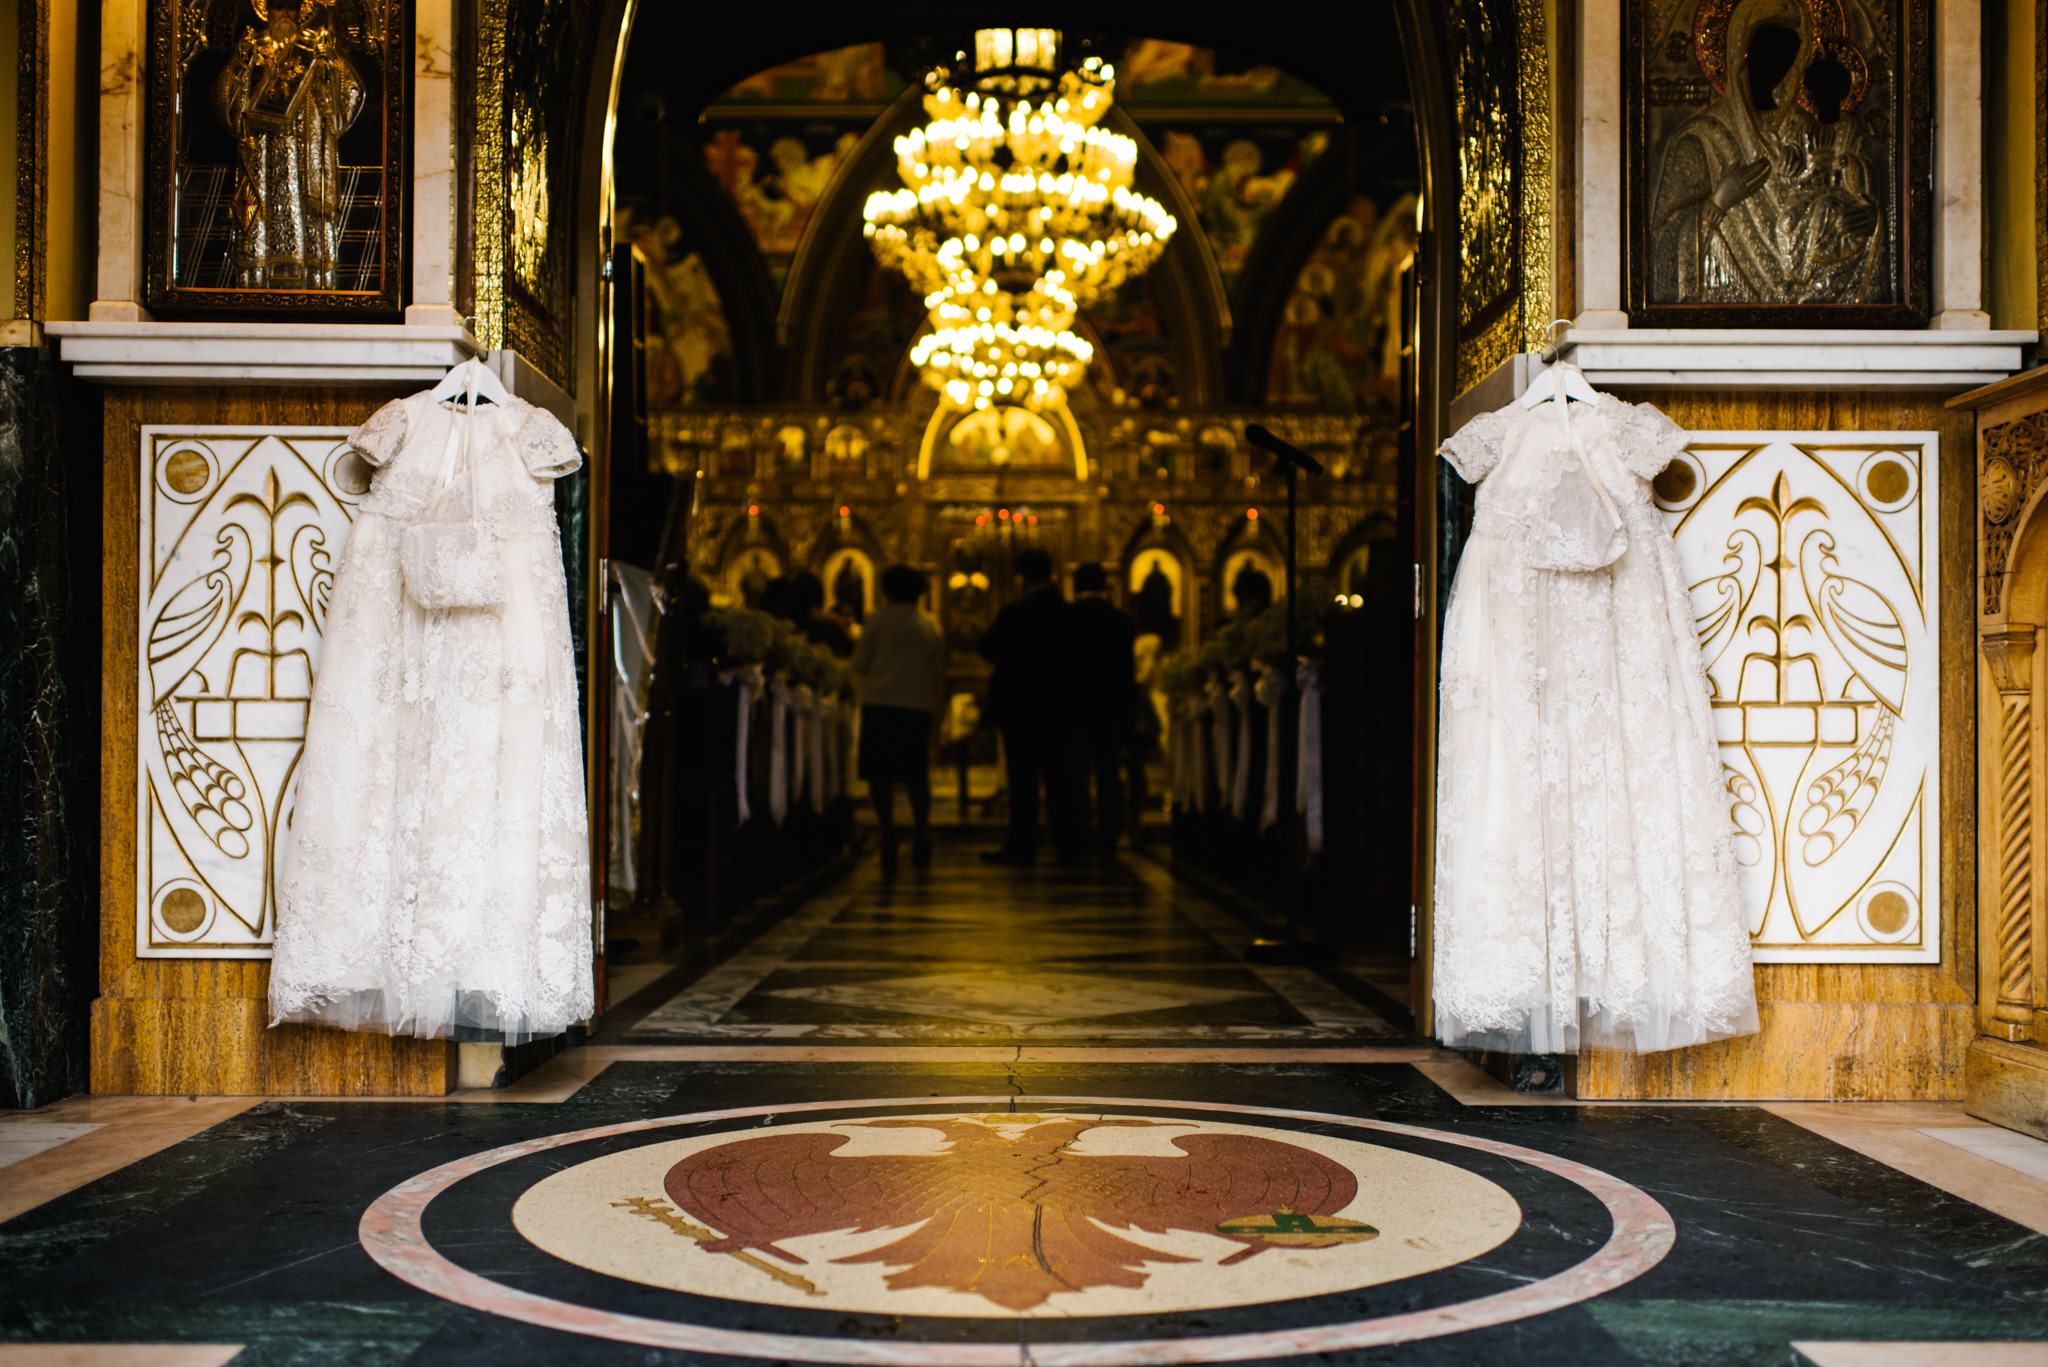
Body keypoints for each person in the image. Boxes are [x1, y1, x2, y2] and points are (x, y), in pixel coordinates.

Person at [977, 548, 1081, 865]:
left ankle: (1022, 845)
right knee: (1060, 778)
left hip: (1020, 709)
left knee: (1022, 780)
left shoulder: (1014, 613)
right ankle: (1066, 846)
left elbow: (987, 648)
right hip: (1060, 707)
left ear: (1022, 577)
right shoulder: (1069, 613)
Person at [852, 565, 946, 875]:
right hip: (916, 706)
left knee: (880, 776)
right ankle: (921, 833)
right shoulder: (929, 624)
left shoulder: (876, 621)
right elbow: (937, 674)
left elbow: (861, 663)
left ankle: (888, 835)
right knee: (916, 776)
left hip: (880, 703)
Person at [1068, 563, 1138, 857]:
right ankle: (1109, 832)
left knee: (1076, 773)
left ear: (1076, 586)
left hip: (1074, 708)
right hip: (1111, 707)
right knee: (1109, 772)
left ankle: (1079, 833)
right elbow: (1126, 669)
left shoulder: (1066, 617)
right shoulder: (1121, 620)